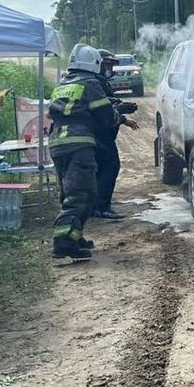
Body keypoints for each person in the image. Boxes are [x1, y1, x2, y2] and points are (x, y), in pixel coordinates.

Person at [48, 44, 121, 260]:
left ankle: (74, 236)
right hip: (79, 144)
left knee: (69, 193)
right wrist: (119, 113)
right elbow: (106, 117)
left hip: (57, 144)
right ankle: (63, 243)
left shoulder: (62, 85)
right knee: (83, 192)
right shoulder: (90, 84)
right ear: (94, 64)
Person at [93, 49, 139, 220]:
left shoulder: (100, 82)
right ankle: (102, 207)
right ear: (97, 64)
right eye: (107, 64)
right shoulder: (95, 83)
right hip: (99, 135)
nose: (110, 68)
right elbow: (102, 110)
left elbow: (108, 104)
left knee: (98, 170)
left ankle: (94, 205)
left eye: (112, 65)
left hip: (99, 134)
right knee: (110, 167)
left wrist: (123, 116)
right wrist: (120, 111)